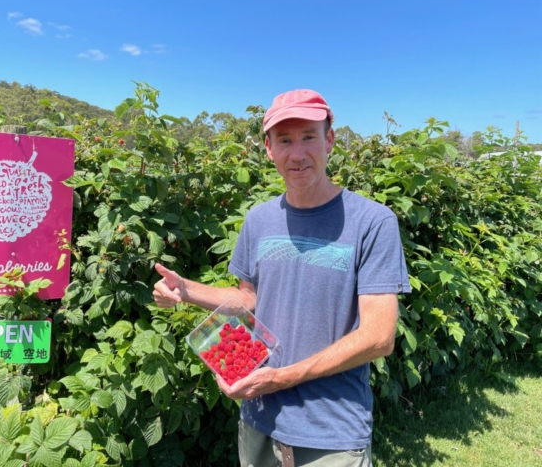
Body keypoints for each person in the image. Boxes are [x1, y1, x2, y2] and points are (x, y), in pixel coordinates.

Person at [153, 89, 411, 467]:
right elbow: (249, 298)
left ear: (330, 140)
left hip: (331, 432)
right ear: (268, 148)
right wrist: (186, 289)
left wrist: (282, 378)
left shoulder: (372, 222)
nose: (297, 153)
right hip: (258, 420)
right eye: (285, 140)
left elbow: (379, 337)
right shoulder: (259, 220)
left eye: (309, 136)